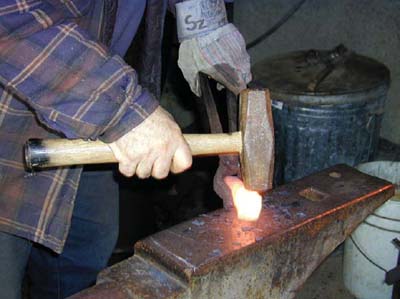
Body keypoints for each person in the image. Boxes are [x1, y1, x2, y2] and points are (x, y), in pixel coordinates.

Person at [0, 0, 251, 298]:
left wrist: (202, 18)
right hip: (14, 114)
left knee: (86, 260)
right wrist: (122, 111)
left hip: (93, 113)